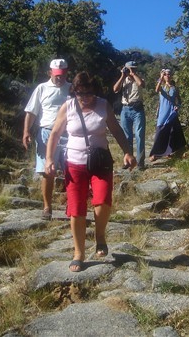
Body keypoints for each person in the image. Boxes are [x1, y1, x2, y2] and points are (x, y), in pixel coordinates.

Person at [46, 72, 136, 272]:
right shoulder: (67, 107)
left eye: (89, 93)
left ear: (95, 91)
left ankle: (100, 236)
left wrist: (128, 152)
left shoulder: (104, 105)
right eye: (80, 93)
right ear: (74, 92)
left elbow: (116, 130)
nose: (85, 97)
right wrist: (50, 159)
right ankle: (79, 253)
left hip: (100, 161)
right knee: (76, 208)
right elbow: (54, 133)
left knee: (103, 200)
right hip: (74, 164)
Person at [22, 59, 71, 220]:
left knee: (71, 171)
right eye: (57, 75)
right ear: (50, 73)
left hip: (68, 134)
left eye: (62, 75)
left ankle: (72, 206)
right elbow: (31, 111)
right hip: (46, 132)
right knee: (47, 172)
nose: (59, 78)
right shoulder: (42, 88)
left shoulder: (72, 89)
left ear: (66, 73)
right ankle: (47, 207)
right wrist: (26, 131)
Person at [112, 61, 146, 169]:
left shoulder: (139, 79)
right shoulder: (123, 80)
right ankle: (129, 160)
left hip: (137, 109)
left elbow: (141, 84)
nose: (131, 70)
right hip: (125, 109)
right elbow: (115, 89)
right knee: (127, 136)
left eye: (134, 68)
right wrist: (123, 75)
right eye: (129, 69)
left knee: (139, 135)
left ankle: (140, 162)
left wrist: (133, 74)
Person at [149, 68, 186, 161]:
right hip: (163, 112)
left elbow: (179, 100)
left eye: (169, 74)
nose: (167, 76)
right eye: (165, 74)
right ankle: (155, 153)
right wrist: (160, 78)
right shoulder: (161, 86)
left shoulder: (175, 88)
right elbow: (157, 90)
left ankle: (169, 152)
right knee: (160, 131)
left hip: (172, 112)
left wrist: (178, 106)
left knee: (171, 132)